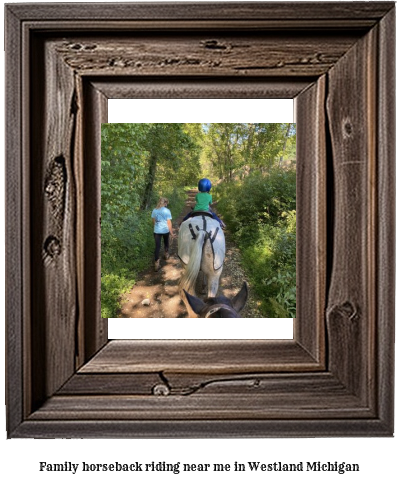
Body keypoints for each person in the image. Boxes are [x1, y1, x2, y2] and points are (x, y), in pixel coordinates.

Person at [151, 197, 175, 271]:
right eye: (166, 203)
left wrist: (157, 226)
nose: (167, 204)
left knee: (157, 247)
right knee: (166, 242)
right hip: (165, 230)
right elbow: (169, 223)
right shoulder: (167, 211)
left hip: (157, 231)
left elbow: (153, 221)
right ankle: (166, 254)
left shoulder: (154, 210)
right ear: (165, 203)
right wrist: (171, 233)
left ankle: (156, 263)